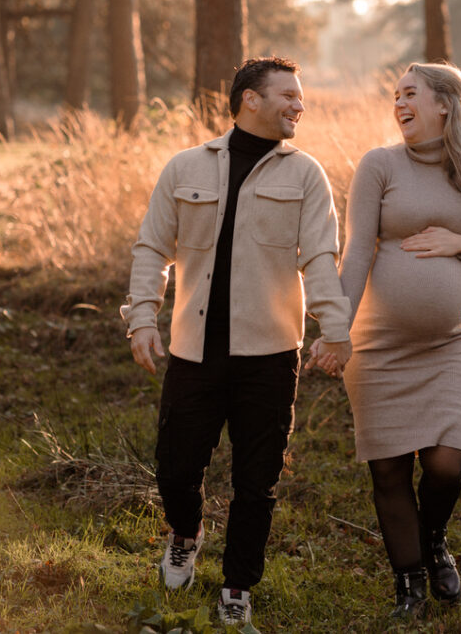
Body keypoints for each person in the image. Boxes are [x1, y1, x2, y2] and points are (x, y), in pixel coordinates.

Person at [120, 56, 351, 626]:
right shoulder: (184, 167)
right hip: (194, 350)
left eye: (301, 97)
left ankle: (237, 588)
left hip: (270, 357)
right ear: (251, 98)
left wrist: (335, 328)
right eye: (289, 95)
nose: (300, 105)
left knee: (257, 483)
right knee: (175, 468)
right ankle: (186, 533)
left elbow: (322, 257)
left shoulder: (306, 175)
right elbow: (153, 248)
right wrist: (143, 319)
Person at [336, 62, 461, 617]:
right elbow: (358, 252)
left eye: (409, 93)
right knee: (389, 469)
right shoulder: (379, 165)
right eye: (394, 96)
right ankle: (409, 586)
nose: (398, 103)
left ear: (444, 103)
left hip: (447, 347)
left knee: (445, 464)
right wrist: (335, 329)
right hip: (376, 349)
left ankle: (433, 536)